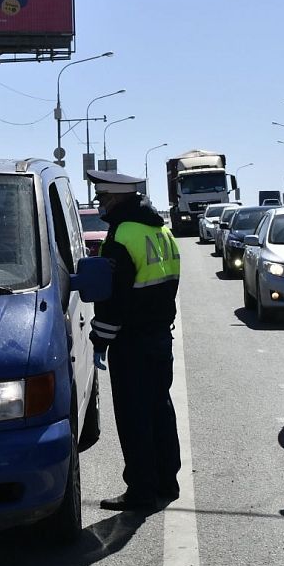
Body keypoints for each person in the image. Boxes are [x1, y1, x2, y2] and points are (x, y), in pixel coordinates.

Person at [86, 169, 182, 511]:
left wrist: (100, 338)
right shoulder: (160, 229)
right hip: (160, 336)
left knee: (133, 416)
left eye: (102, 199)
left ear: (115, 198)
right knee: (160, 408)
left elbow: (114, 298)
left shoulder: (122, 235)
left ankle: (140, 490)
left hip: (132, 342)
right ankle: (167, 482)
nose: (100, 205)